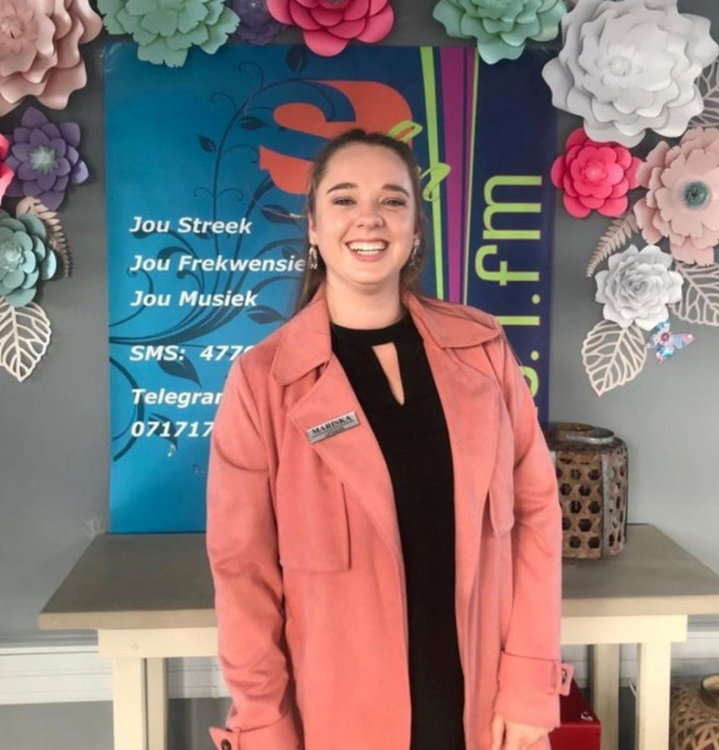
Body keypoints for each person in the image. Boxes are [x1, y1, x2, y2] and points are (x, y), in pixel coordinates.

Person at [206, 129, 572, 750]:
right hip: (337, 717)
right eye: (344, 199)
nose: (369, 218)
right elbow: (243, 573)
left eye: (392, 200)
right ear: (314, 228)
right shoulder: (262, 382)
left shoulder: (483, 349)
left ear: (415, 229)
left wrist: (529, 683)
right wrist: (264, 725)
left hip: (485, 709)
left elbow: (537, 516)